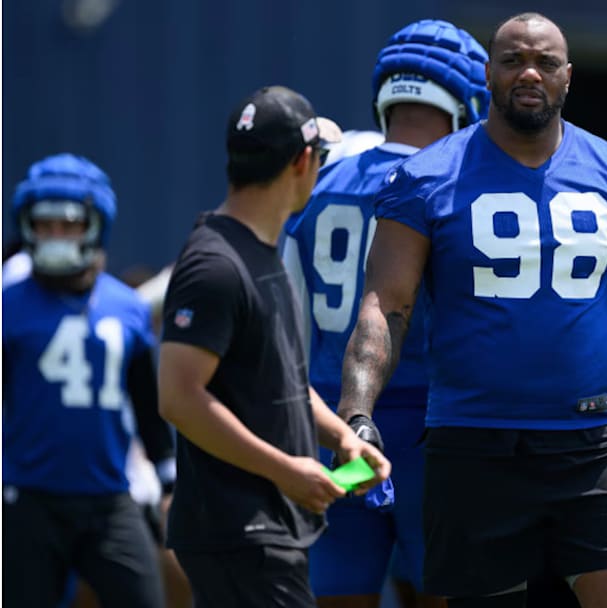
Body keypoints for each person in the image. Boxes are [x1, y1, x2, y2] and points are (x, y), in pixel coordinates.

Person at [337, 12, 607, 608]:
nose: (529, 72)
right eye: (512, 60)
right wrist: (358, 412)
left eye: (544, 62)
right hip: (475, 443)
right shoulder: (425, 177)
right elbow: (387, 306)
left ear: (568, 76)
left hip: (592, 443)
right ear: (487, 74)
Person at [280, 18, 489, 608]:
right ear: (467, 98)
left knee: (341, 590)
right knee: (441, 591)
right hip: (432, 422)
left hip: (333, 421)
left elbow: (291, 318)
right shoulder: (459, 181)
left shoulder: (321, 175)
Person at [156, 85, 391, 607]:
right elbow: (179, 398)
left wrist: (341, 440)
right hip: (237, 529)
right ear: (304, 161)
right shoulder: (215, 264)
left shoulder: (260, 252)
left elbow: (283, 382)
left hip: (267, 527)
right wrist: (286, 470)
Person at [2, 153, 176, 607]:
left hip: (108, 499)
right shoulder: (9, 304)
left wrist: (167, 479)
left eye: (68, 224)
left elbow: (145, 401)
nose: (55, 236)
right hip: (27, 499)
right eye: (45, 225)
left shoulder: (127, 307)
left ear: (95, 224)